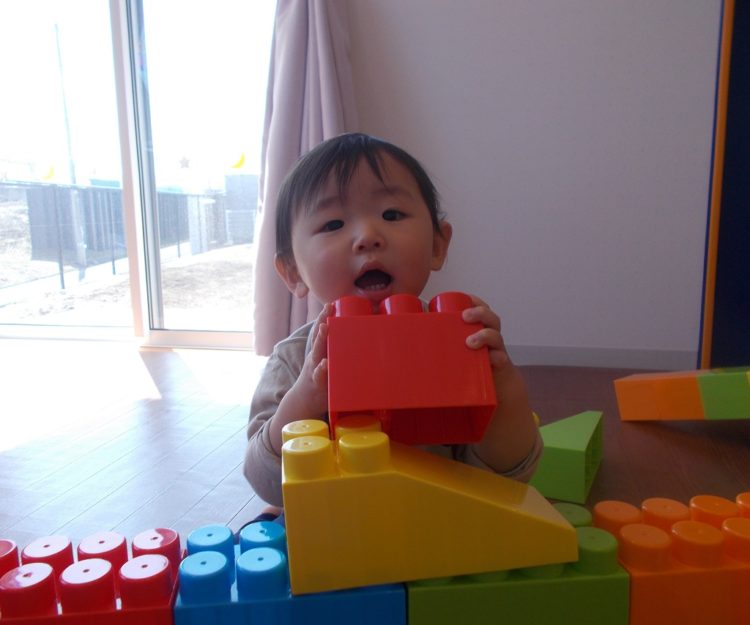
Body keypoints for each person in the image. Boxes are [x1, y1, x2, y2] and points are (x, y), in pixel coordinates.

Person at [244, 133, 542, 514]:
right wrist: (306, 396)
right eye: (333, 223)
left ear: (438, 245)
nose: (368, 236)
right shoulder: (292, 361)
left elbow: (507, 477)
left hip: (437, 525)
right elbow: (264, 479)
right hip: (331, 532)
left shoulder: (460, 342)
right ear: (291, 271)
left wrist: (504, 389)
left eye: (392, 215)